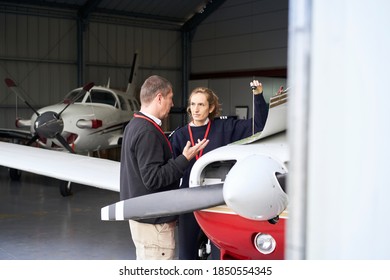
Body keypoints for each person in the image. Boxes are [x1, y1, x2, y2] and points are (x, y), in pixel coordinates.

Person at [170, 80, 269, 260]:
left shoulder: (225, 128)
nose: (196, 109)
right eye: (193, 104)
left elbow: (260, 126)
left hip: (219, 202)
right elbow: (172, 172)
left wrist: (258, 96)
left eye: (201, 104)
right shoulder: (179, 135)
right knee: (187, 257)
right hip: (189, 202)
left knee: (220, 255)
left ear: (211, 107)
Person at [120, 75, 209, 260]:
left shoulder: (134, 124)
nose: (172, 103)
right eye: (170, 97)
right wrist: (184, 159)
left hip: (141, 218)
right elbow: (153, 179)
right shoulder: (147, 132)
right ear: (159, 98)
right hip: (154, 226)